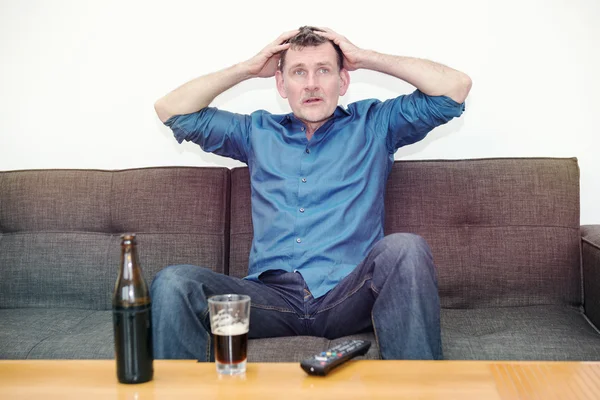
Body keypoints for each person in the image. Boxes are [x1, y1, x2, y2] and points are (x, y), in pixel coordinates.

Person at [151, 26, 472, 361]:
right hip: (269, 299)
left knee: (406, 247)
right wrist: (246, 68)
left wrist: (366, 57)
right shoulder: (255, 132)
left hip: (347, 296)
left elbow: (455, 88)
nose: (312, 84)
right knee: (174, 283)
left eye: (324, 70)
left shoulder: (375, 125)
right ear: (281, 84)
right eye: (298, 72)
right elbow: (171, 110)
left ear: (343, 81)